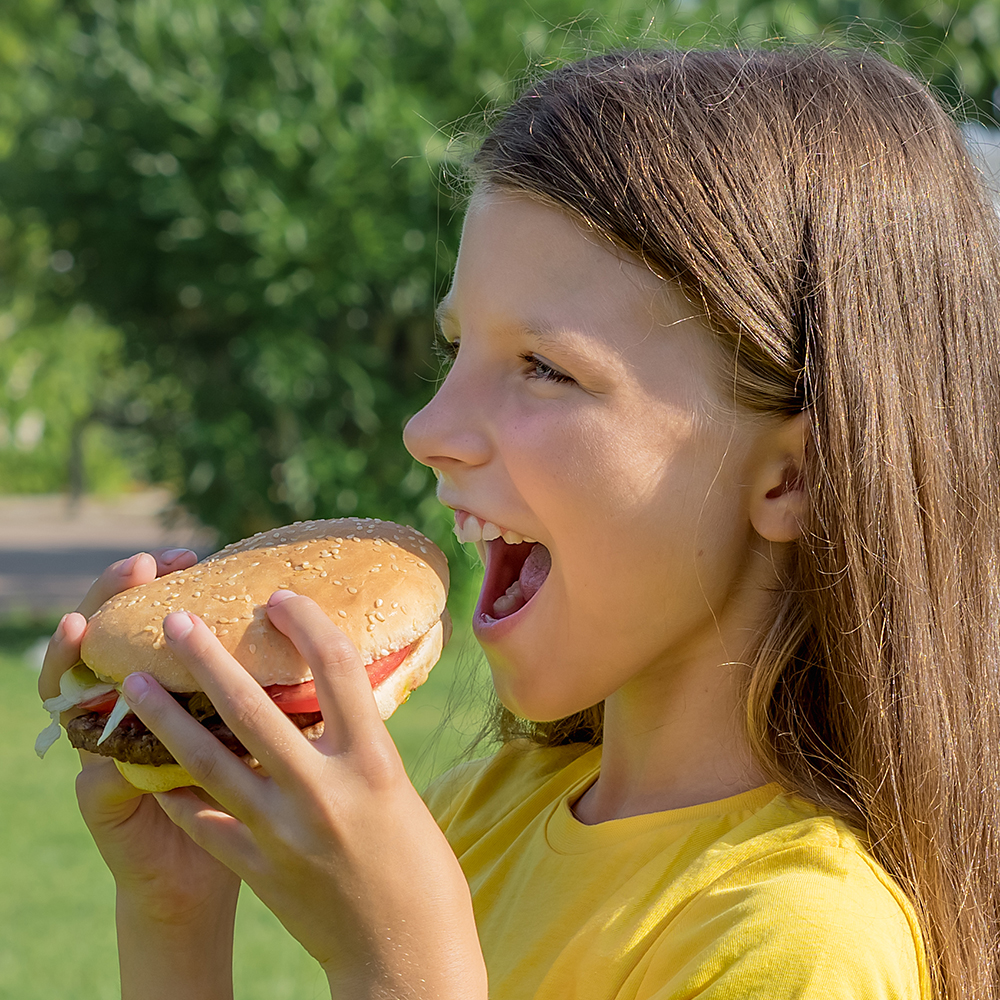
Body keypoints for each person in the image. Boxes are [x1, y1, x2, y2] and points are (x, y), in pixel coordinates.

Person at [39, 46, 1000, 1000]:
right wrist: (174, 915)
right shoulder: (479, 815)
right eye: (456, 347)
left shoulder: (797, 944)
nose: (428, 430)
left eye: (545, 367)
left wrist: (401, 967)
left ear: (793, 477)